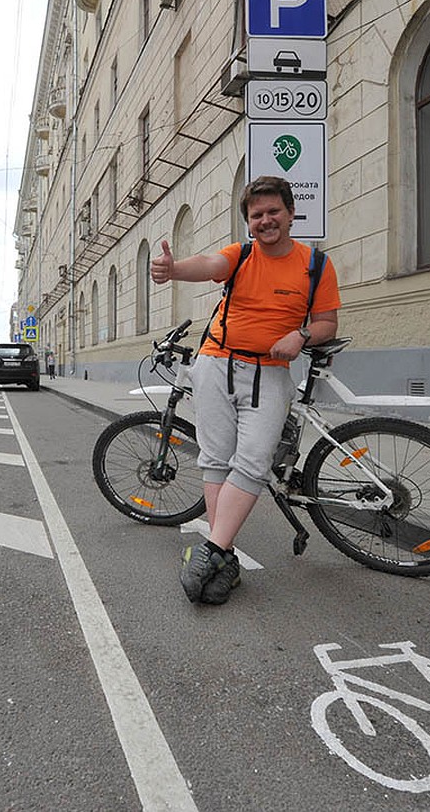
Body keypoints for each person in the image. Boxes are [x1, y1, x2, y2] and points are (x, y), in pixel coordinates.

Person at [150, 175, 340, 604]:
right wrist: (174, 269)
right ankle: (227, 558)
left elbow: (328, 321)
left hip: (271, 373)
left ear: (291, 214)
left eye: (274, 212)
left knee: (253, 463)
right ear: (249, 223)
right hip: (217, 363)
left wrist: (303, 336)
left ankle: (212, 549)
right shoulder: (242, 255)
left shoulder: (316, 266)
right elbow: (211, 264)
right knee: (216, 461)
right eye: (257, 216)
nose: (266, 220)